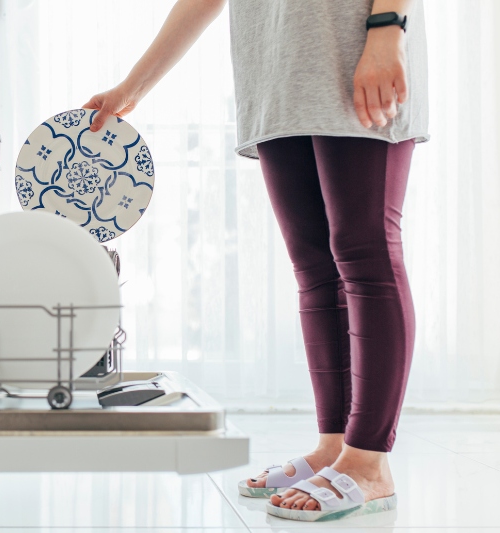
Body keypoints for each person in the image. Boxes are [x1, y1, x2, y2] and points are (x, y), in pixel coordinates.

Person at [84, 0, 428, 522]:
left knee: (365, 254)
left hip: (357, 45)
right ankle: (334, 445)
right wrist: (132, 88)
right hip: (275, 71)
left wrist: (388, 27)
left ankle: (368, 462)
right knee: (314, 270)